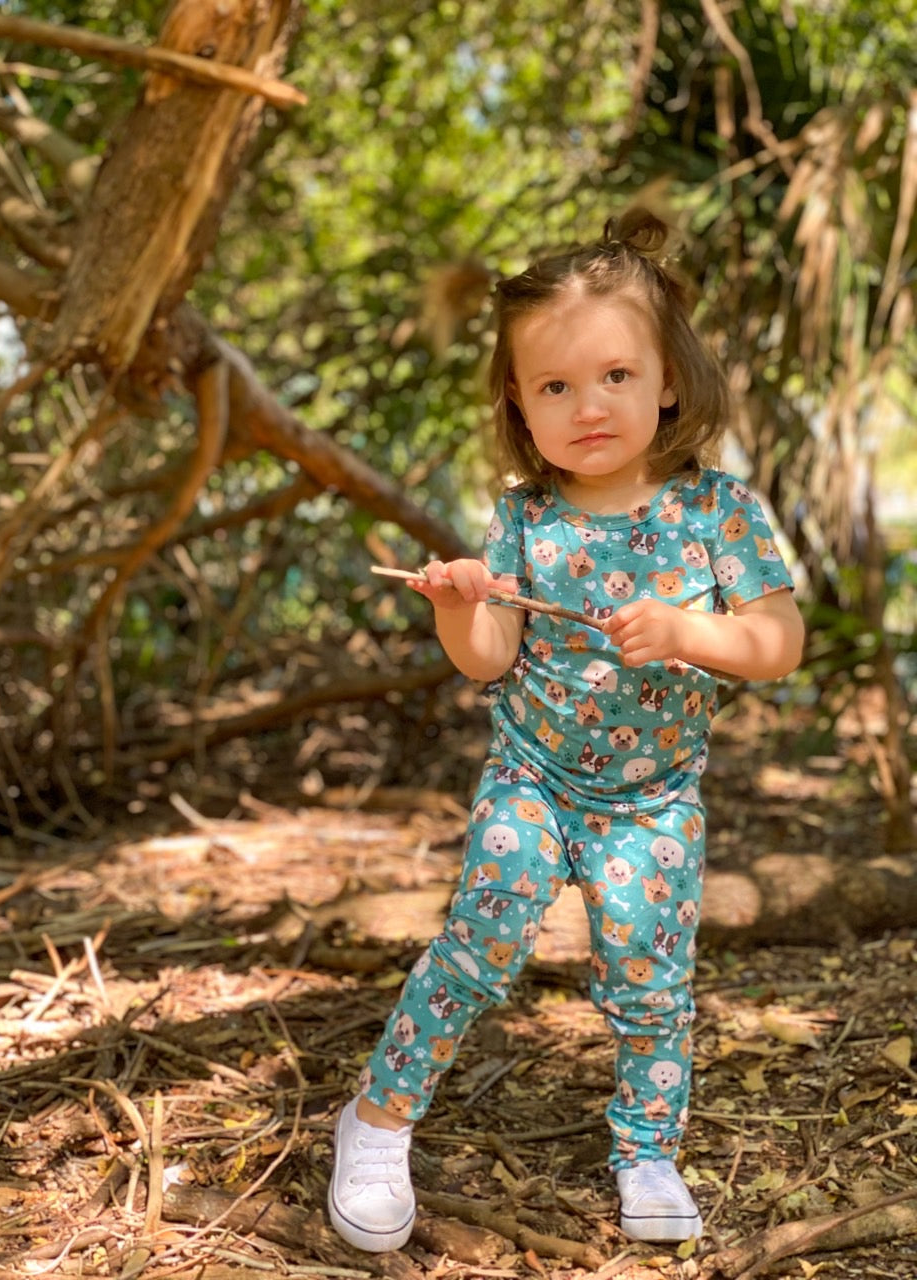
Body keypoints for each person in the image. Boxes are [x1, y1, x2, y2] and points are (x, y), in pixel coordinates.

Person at [327, 207, 805, 1252]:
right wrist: (460, 603)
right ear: (518, 404)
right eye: (554, 386)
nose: (587, 405)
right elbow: (492, 652)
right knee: (484, 935)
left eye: (615, 376)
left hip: (654, 798)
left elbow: (779, 639)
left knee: (648, 970)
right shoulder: (526, 515)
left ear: (668, 378)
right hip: (533, 775)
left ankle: (645, 1146)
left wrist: (691, 629)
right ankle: (375, 1118)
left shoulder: (717, 509)